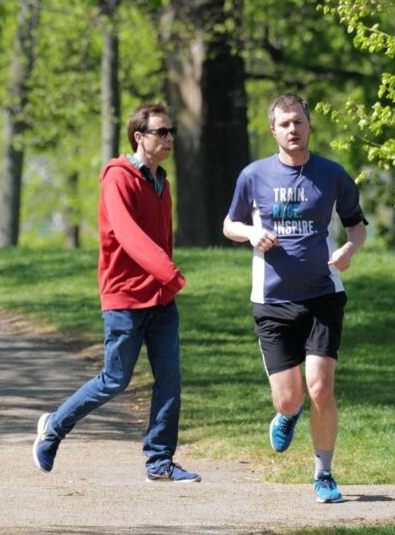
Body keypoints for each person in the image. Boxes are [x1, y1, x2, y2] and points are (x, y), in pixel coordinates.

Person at [33, 102, 200, 483]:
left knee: (170, 379)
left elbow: (162, 239)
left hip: (160, 299)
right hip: (125, 297)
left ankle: (159, 460)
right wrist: (169, 272)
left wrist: (165, 281)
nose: (170, 138)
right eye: (161, 132)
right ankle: (54, 427)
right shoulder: (118, 178)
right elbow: (127, 234)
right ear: (139, 137)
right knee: (115, 379)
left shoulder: (162, 183)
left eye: (172, 132)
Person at [222, 93, 367, 503]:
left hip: (323, 295)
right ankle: (287, 414)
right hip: (272, 301)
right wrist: (251, 233)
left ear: (308, 125)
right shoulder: (253, 175)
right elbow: (230, 224)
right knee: (290, 398)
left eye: (298, 122)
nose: (292, 130)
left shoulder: (332, 175)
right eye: (284, 124)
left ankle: (324, 474)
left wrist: (349, 250)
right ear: (273, 130)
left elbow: (357, 226)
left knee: (320, 387)